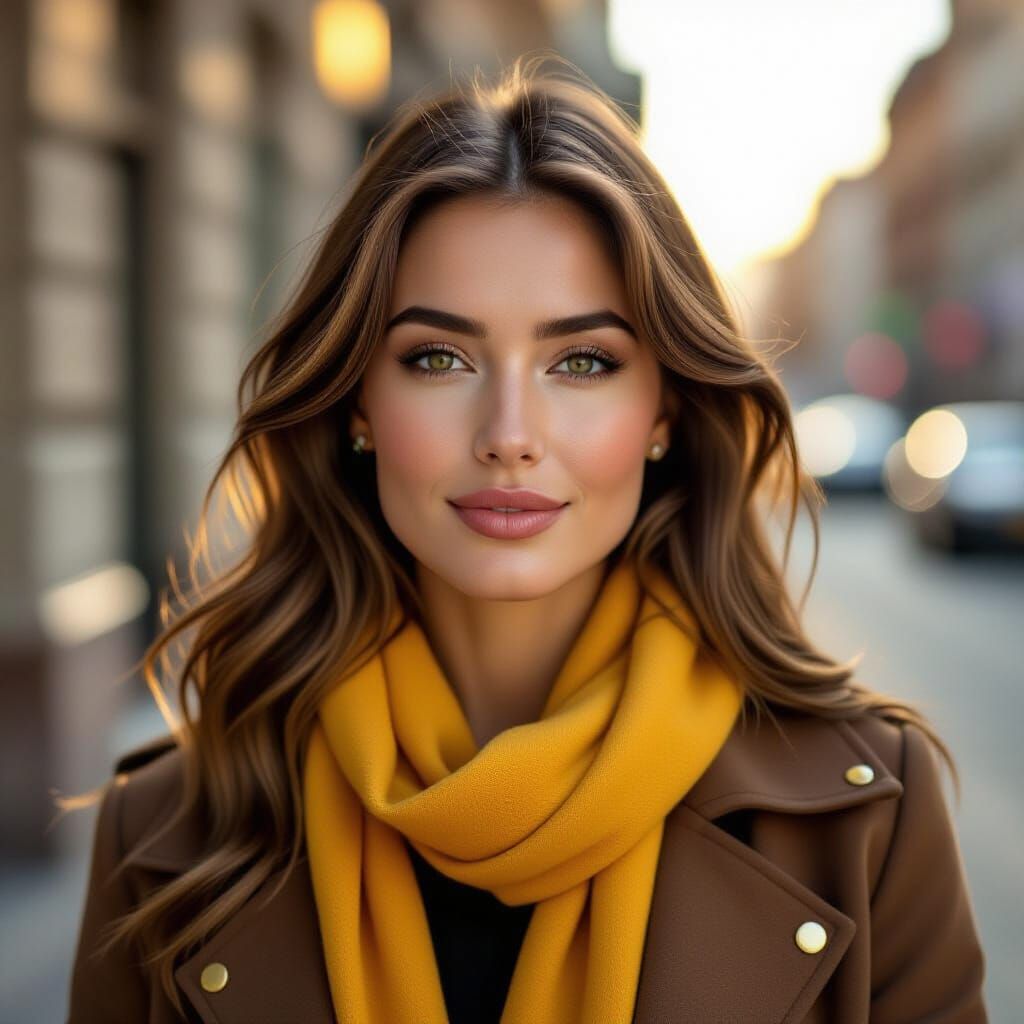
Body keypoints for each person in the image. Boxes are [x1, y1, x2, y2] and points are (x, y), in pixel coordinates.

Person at [65, 54, 988, 1023]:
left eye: (581, 361)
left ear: (665, 409)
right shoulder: (165, 828)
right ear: (356, 407)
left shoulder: (866, 814)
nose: (509, 431)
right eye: (438, 357)